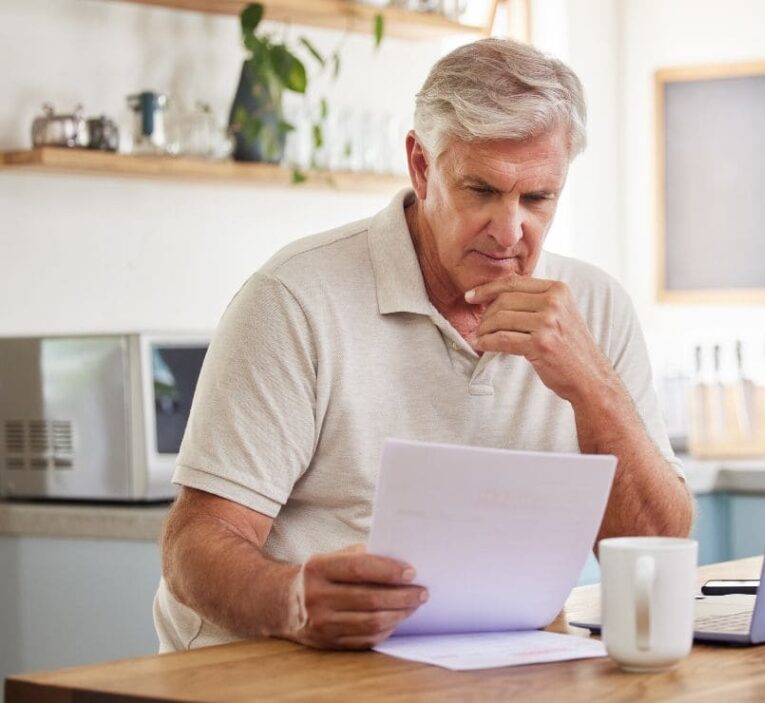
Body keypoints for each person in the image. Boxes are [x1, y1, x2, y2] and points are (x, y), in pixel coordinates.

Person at [154, 38, 693, 652]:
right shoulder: (294, 298)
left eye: (537, 198)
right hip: (273, 664)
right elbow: (193, 545)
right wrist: (292, 600)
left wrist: (593, 387)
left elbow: (657, 547)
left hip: (485, 666)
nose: (509, 231)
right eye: (481, 190)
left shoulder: (595, 306)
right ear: (421, 166)